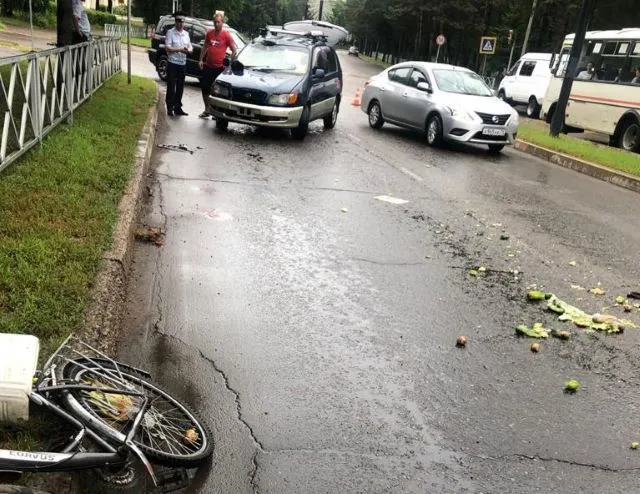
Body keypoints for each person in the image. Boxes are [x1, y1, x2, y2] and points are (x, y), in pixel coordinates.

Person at [198, 12, 236, 119]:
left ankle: (216, 112)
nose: (216, 24)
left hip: (220, 68)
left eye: (218, 22)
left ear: (222, 23)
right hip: (208, 66)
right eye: (215, 22)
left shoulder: (226, 35)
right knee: (205, 87)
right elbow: (205, 47)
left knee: (218, 92)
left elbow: (234, 50)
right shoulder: (209, 33)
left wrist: (229, 64)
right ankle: (207, 109)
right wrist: (201, 60)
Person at [164, 13, 193, 117]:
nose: (180, 24)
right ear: (175, 22)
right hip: (173, 63)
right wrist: (179, 49)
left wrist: (188, 51)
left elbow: (190, 47)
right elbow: (168, 47)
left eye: (182, 22)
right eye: (178, 22)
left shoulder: (186, 34)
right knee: (171, 85)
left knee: (180, 86)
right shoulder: (170, 33)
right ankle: (169, 107)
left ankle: (178, 107)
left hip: (182, 63)